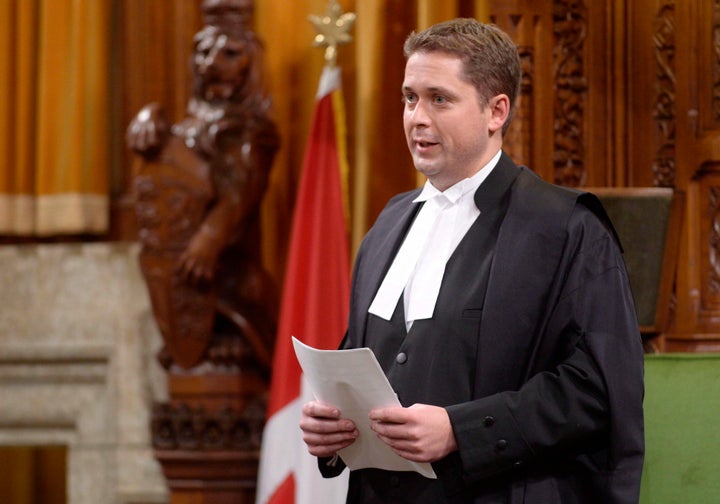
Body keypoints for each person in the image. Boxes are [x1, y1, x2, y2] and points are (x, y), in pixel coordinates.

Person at [299, 18, 644, 504]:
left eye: (439, 99)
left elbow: (599, 390)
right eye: (409, 97)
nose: (417, 117)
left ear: (495, 111)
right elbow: (363, 357)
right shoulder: (388, 223)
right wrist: (332, 423)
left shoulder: (566, 227)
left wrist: (461, 430)